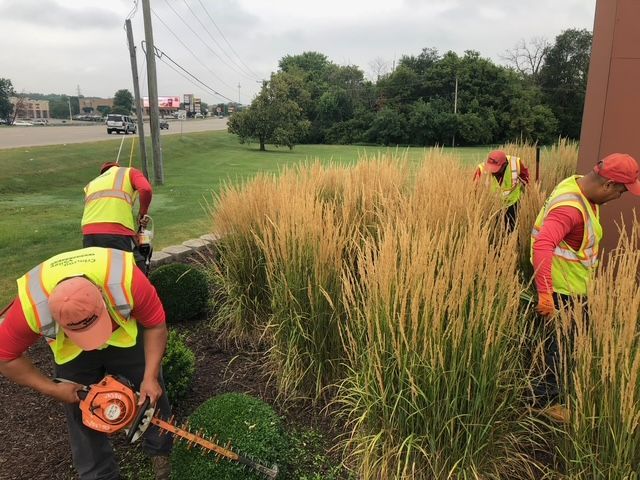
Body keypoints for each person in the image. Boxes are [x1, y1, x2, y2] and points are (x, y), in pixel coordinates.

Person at [0, 247, 172, 480]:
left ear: (101, 292)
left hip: (123, 336)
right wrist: (54, 389)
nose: (94, 342)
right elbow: (5, 357)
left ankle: (162, 452)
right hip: (72, 353)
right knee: (82, 409)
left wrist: (150, 377)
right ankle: (98, 474)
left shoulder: (125, 279)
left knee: (151, 392)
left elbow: (155, 324)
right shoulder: (31, 306)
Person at [530, 152, 640, 422]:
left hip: (574, 288)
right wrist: (546, 294)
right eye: (621, 192)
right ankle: (546, 404)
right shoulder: (570, 209)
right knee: (562, 347)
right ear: (608, 185)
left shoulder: (577, 184)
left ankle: (552, 395)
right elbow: (543, 244)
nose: (619, 197)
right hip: (563, 292)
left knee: (564, 345)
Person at [82, 162, 152, 273]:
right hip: (115, 232)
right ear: (116, 167)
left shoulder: (91, 184)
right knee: (134, 269)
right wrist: (142, 213)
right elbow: (146, 189)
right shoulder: (129, 172)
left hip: (89, 234)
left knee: (100, 272)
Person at [474, 150, 530, 230]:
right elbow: (475, 190)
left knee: (511, 230)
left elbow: (525, 179)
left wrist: (525, 195)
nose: (493, 172)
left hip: (512, 205)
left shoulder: (515, 163)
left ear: (504, 165)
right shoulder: (481, 169)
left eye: (496, 169)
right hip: (491, 206)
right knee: (493, 230)